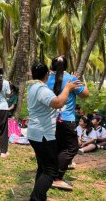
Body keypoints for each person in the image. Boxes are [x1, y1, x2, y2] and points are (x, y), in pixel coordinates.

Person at [27, 62, 80, 200]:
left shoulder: (33, 87)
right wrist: (68, 87)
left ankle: (40, 197)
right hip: (43, 134)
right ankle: (36, 198)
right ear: (46, 74)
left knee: (43, 167)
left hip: (35, 133)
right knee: (51, 171)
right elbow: (58, 103)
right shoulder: (41, 89)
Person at [46, 56, 89, 191]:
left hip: (51, 119)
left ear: (51, 66)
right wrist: (81, 83)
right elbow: (85, 94)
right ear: (66, 66)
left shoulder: (46, 79)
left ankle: (51, 173)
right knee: (71, 148)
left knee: (58, 147)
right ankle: (57, 178)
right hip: (66, 119)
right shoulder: (70, 80)